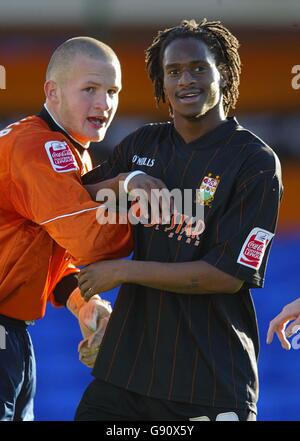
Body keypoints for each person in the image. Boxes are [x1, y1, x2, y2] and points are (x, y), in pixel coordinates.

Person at [75, 19, 283, 422]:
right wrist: (126, 180)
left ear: (222, 71)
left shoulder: (255, 162)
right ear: (161, 82)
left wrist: (124, 271)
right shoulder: (140, 145)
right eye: (173, 71)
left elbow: (226, 275)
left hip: (209, 383)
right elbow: (70, 202)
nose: (185, 80)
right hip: (125, 373)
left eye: (198, 68)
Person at [0, 37, 133, 420]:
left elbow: (53, 254)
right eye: (89, 89)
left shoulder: (64, 147)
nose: (104, 104)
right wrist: (142, 201)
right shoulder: (37, 146)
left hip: (14, 336)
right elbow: (92, 240)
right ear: (52, 92)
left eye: (112, 91)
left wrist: (87, 306)